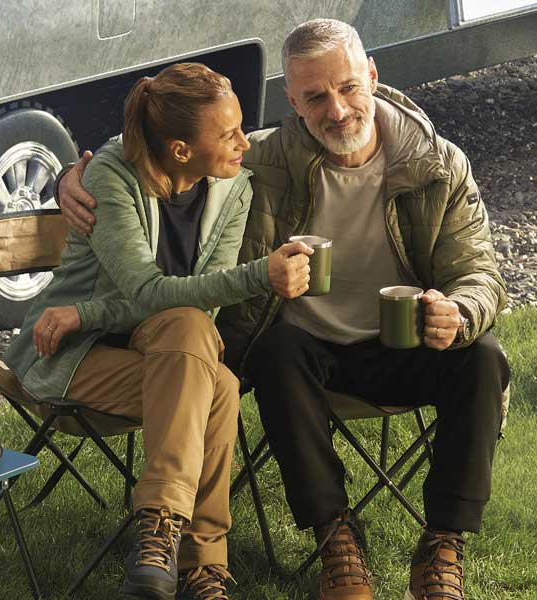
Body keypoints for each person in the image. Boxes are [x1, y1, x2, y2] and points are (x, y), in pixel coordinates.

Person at [57, 19, 509, 600]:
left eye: (348, 87)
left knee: (483, 356)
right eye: (315, 97)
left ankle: (443, 544)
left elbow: (480, 273)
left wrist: (460, 310)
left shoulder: (438, 164)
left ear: (373, 76)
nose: (336, 110)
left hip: (403, 344)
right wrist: (72, 176)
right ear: (293, 103)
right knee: (276, 352)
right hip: (303, 355)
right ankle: (336, 541)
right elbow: (166, 140)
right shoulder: (263, 161)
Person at [4, 62, 314, 600]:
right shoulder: (112, 178)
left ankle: (159, 540)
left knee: (198, 342)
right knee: (219, 386)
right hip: (71, 352)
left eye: (241, 127)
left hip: (165, 352)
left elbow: (200, 303)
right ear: (180, 150)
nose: (244, 143)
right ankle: (197, 562)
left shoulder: (233, 187)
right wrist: (261, 275)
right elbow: (147, 292)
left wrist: (89, 310)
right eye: (229, 134)